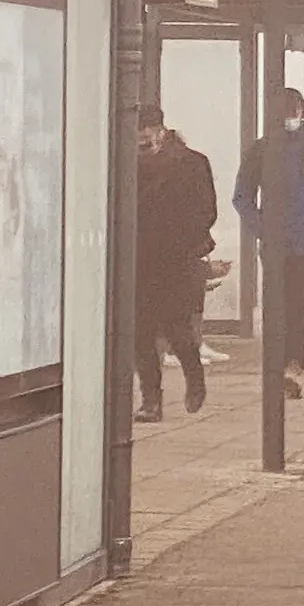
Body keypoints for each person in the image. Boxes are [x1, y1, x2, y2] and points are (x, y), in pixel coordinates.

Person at [233, 86, 304, 399]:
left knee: (300, 304)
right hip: (277, 242)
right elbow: (242, 196)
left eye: (294, 110)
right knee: (277, 305)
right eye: (286, 112)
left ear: (303, 110)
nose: (291, 117)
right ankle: (282, 366)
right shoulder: (261, 149)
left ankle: (293, 365)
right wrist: (263, 229)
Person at [135, 111, 219, 417]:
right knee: (141, 332)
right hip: (140, 257)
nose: (143, 140)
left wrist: (187, 241)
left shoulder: (192, 162)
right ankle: (151, 401)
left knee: (177, 328)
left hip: (178, 258)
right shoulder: (127, 164)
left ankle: (195, 379)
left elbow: (207, 210)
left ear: (161, 130)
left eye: (147, 133)